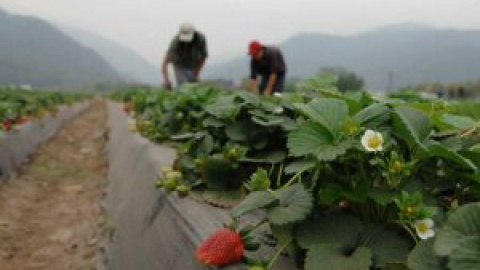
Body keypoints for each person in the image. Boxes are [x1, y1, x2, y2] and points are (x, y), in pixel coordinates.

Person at [161, 22, 208, 90]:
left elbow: (203, 57)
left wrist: (196, 73)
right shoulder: (175, 42)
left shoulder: (200, 39)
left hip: (193, 62)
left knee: (195, 84)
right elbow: (165, 63)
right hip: (179, 64)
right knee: (183, 85)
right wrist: (166, 80)